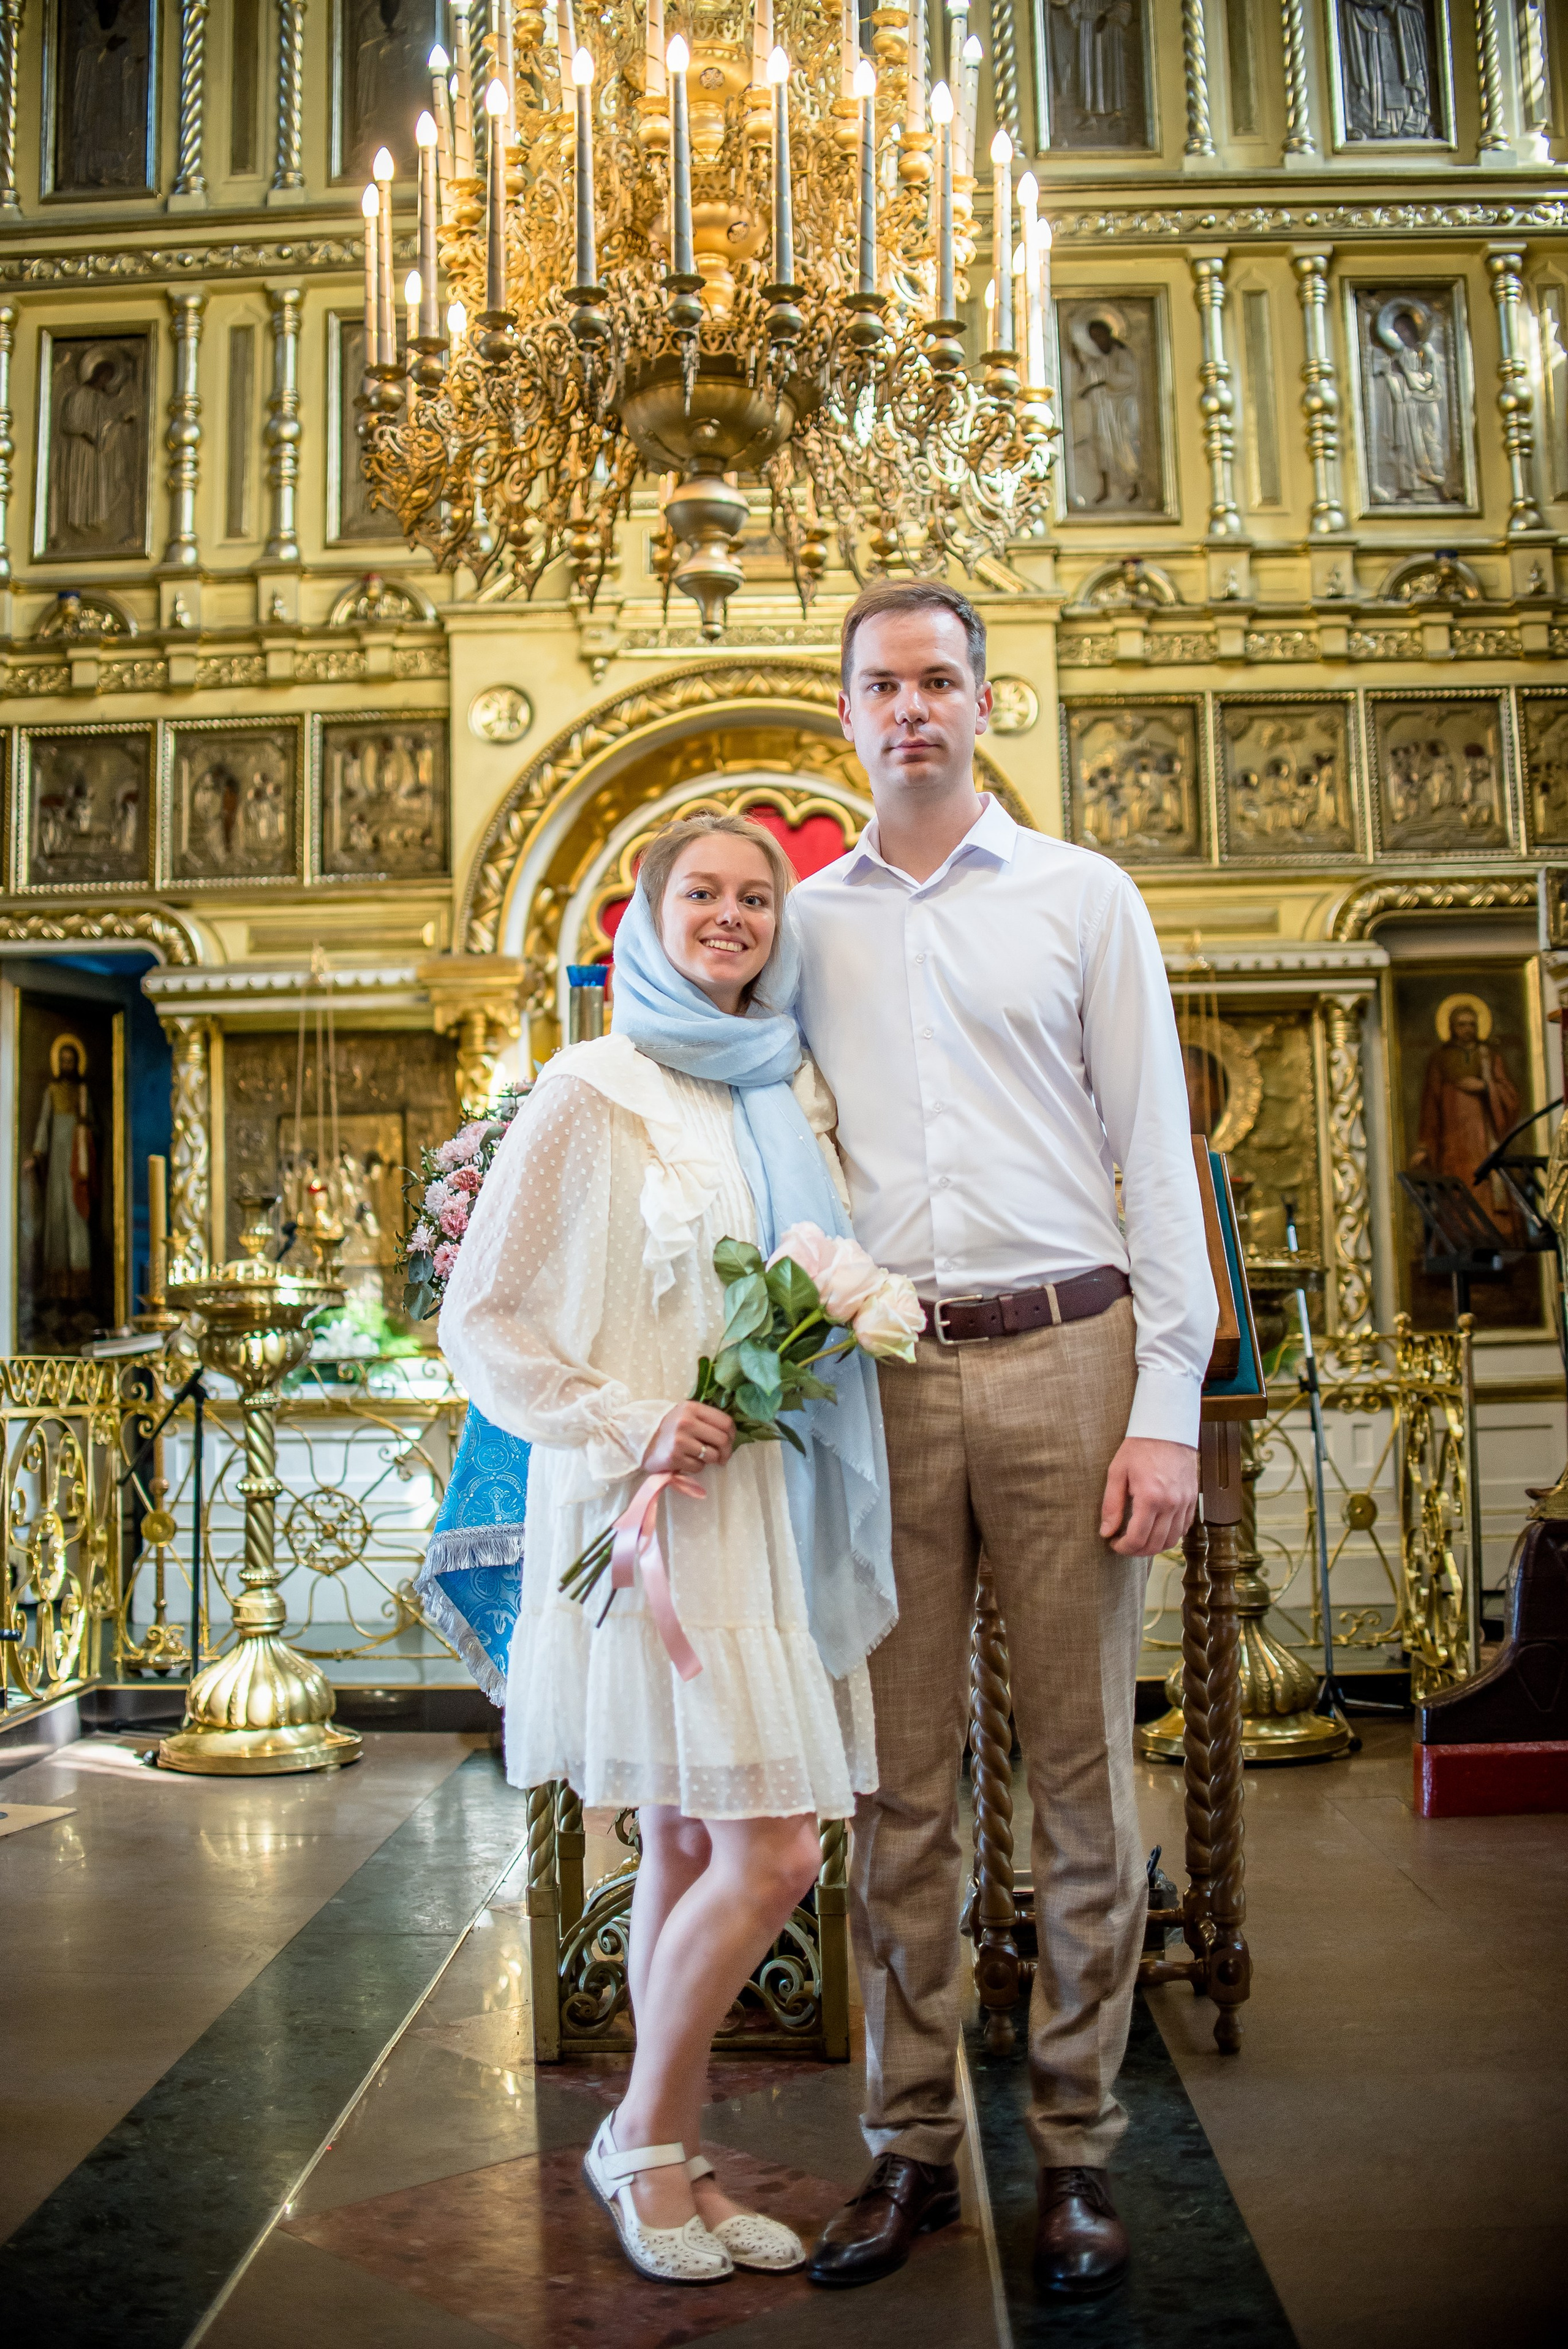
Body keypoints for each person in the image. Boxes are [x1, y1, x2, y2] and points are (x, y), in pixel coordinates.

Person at [791, 579, 1217, 2301]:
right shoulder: (804, 924)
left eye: (940, 680)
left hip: (1067, 1356)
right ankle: (909, 2150)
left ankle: (1078, 2150)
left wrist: (1167, 1407)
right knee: (899, 1791)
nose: (913, 709)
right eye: (882, 684)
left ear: (986, 702)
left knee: (1081, 1787)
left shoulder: (1082, 896)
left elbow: (1158, 1151)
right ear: (848, 713)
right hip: (879, 1380)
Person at [438, 812, 896, 2288]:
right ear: (643, 915)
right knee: (771, 1849)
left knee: (700, 1842)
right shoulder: (591, 1089)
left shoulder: (794, 1090)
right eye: (700, 892)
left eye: (754, 896)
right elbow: (485, 1316)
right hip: (649, 1506)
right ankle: (643, 2135)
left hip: (766, 1504)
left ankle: (668, 2153)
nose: (731, 915)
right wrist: (631, 1416)